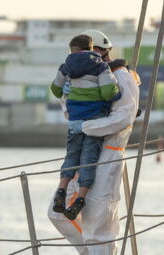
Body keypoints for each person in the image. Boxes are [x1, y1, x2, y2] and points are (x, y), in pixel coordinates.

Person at [47, 29, 141, 255]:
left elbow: (123, 116)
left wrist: (88, 127)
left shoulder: (122, 77)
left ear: (99, 52)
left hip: (108, 156)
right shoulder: (78, 75)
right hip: (82, 156)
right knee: (59, 212)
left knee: (99, 220)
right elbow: (67, 106)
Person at [50, 33, 120, 220]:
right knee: (89, 158)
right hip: (94, 121)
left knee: (72, 155)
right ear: (91, 48)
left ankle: (61, 190)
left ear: (72, 50)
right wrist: (115, 89)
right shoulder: (100, 66)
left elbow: (56, 90)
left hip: (74, 120)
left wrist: (68, 86)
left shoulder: (65, 67)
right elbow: (108, 93)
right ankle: (80, 199)